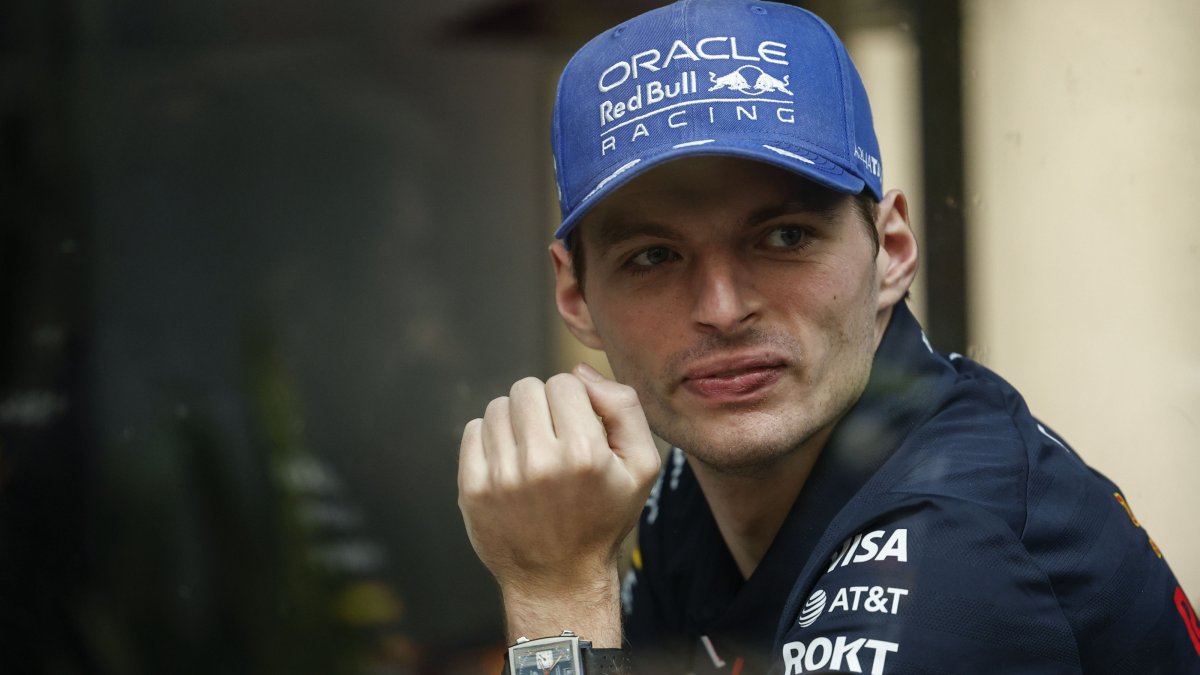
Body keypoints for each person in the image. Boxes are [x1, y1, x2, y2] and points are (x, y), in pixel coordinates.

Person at [456, 1, 1200, 673]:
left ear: (894, 251)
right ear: (575, 293)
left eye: (784, 236)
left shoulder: (952, 561)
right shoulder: (692, 489)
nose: (721, 308)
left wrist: (557, 595)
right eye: (653, 255)